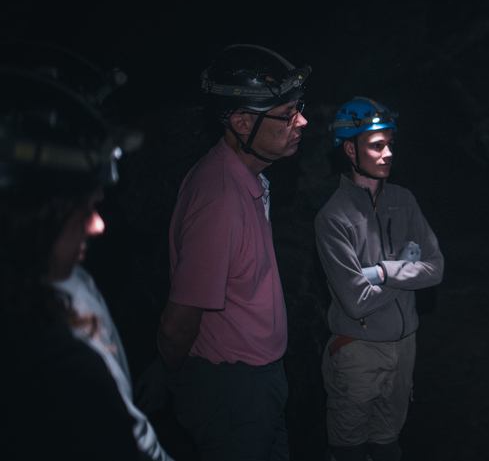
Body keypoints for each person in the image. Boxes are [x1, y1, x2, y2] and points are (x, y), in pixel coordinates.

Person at [1, 56, 165, 460]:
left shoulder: (68, 289)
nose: (98, 225)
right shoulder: (62, 366)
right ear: (28, 218)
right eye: (82, 209)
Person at [155, 44, 310, 461]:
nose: (302, 121)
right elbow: (177, 324)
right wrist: (180, 378)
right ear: (242, 123)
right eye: (287, 114)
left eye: (299, 108)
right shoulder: (220, 199)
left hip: (255, 382)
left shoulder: (245, 177)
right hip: (233, 390)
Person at [314, 96, 444, 461]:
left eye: (389, 144)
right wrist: (407, 268)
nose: (387, 154)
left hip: (405, 347)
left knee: (388, 442)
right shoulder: (334, 218)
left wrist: (382, 272)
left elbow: (436, 269)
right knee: (349, 447)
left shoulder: (404, 200)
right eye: (376, 145)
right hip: (358, 350)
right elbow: (356, 301)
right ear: (350, 150)